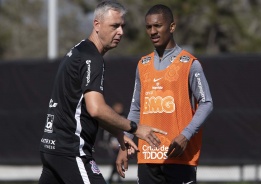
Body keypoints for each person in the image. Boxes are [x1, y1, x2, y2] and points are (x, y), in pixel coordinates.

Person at [38, 1, 166, 184]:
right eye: (114, 26)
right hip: (71, 151)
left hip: (51, 148)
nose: (120, 32)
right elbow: (96, 109)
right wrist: (135, 129)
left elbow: (83, 108)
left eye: (122, 26)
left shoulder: (79, 51)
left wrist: (119, 134)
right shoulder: (92, 58)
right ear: (96, 24)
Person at [116, 4, 213, 184]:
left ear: (172, 27)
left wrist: (185, 135)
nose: (152, 31)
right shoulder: (142, 65)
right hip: (148, 156)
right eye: (148, 27)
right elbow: (136, 108)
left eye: (158, 26)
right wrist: (125, 142)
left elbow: (207, 103)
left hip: (178, 156)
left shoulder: (189, 63)